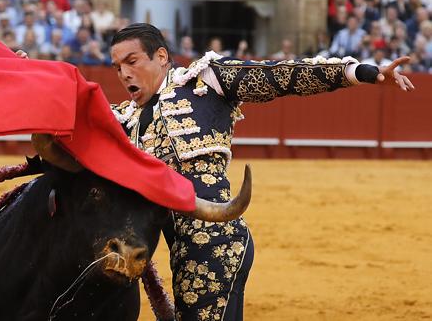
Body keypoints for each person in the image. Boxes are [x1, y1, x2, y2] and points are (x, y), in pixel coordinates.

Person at [107, 23, 413, 321]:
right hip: (176, 247)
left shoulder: (203, 81)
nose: (124, 74)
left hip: (215, 239)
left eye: (132, 62)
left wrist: (359, 72)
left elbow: (279, 76)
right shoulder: (124, 120)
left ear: (161, 56)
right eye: (118, 67)